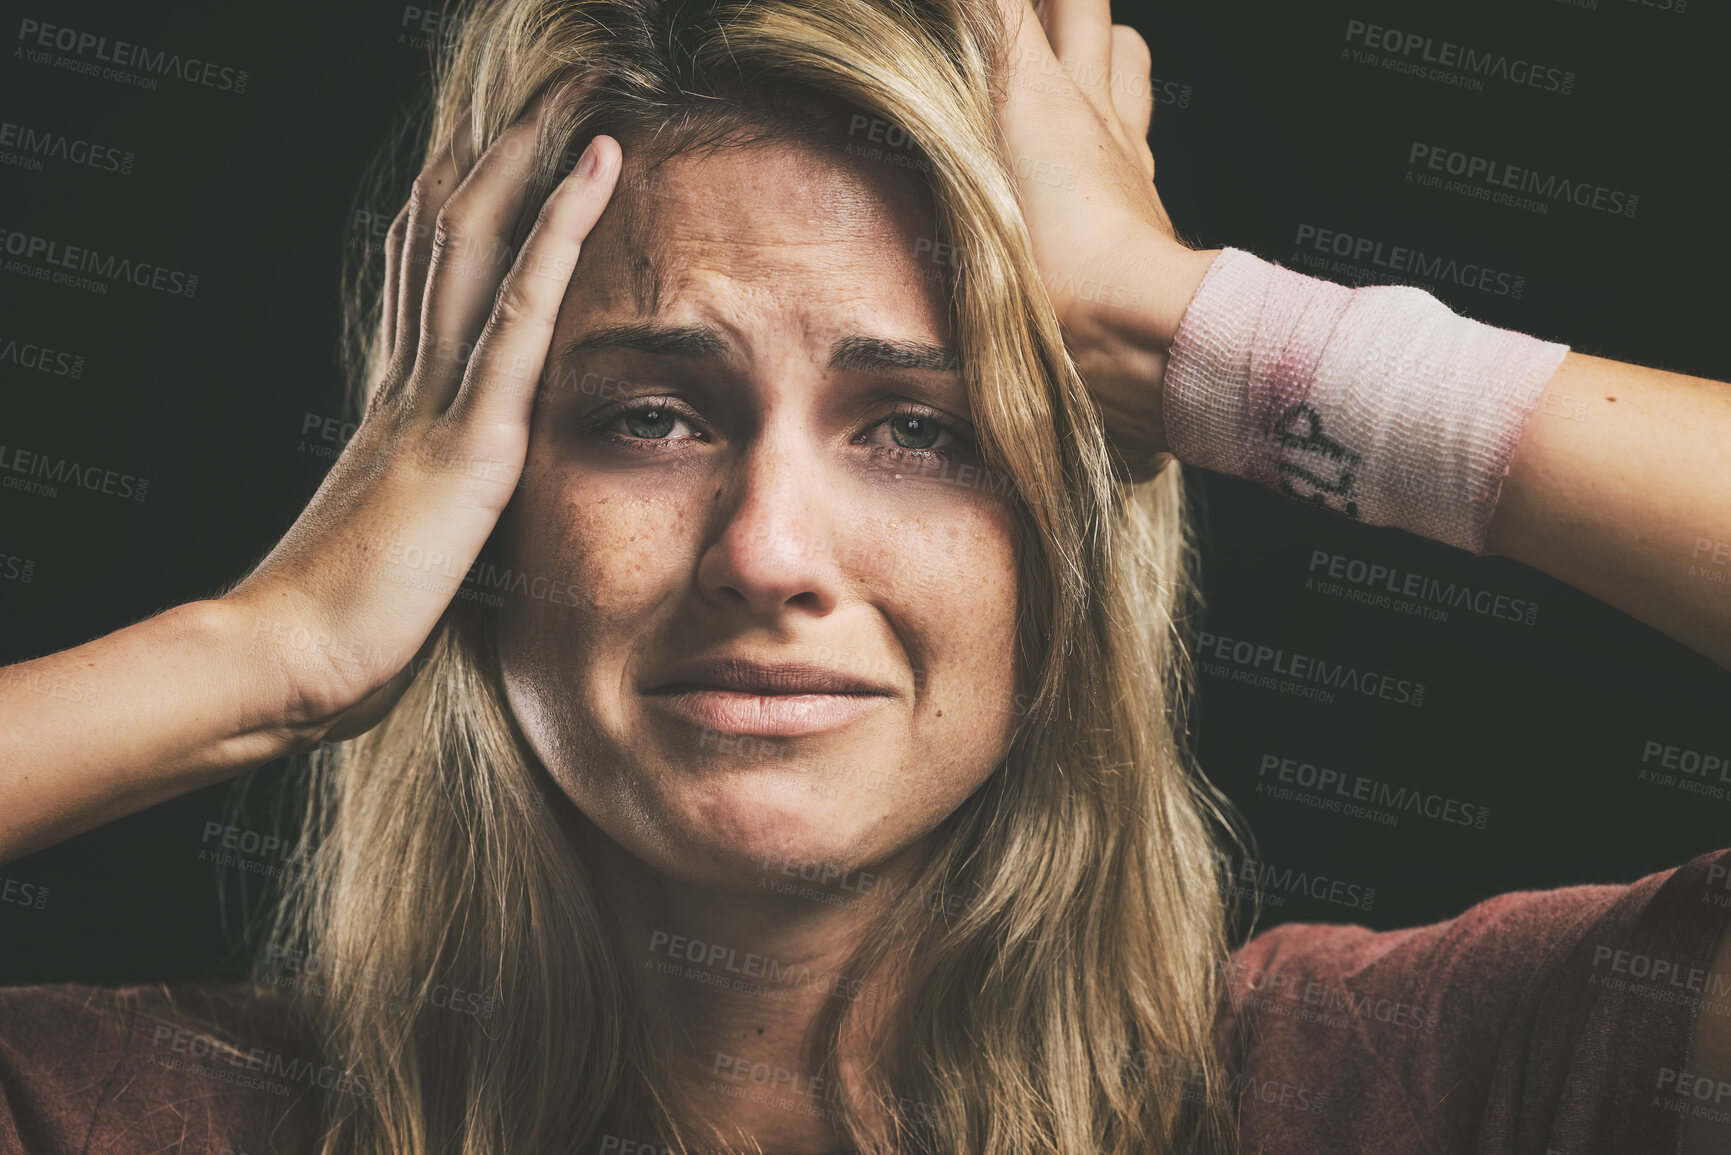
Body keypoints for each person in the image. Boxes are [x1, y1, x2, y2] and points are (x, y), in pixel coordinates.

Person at [1, 0, 1728, 1153]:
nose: (767, 554)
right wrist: (270, 647)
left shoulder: (1401, 1086)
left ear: (1071, 538)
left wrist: (1199, 332)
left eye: (919, 428)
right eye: (655, 417)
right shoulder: (154, 1117)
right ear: (478, 511)